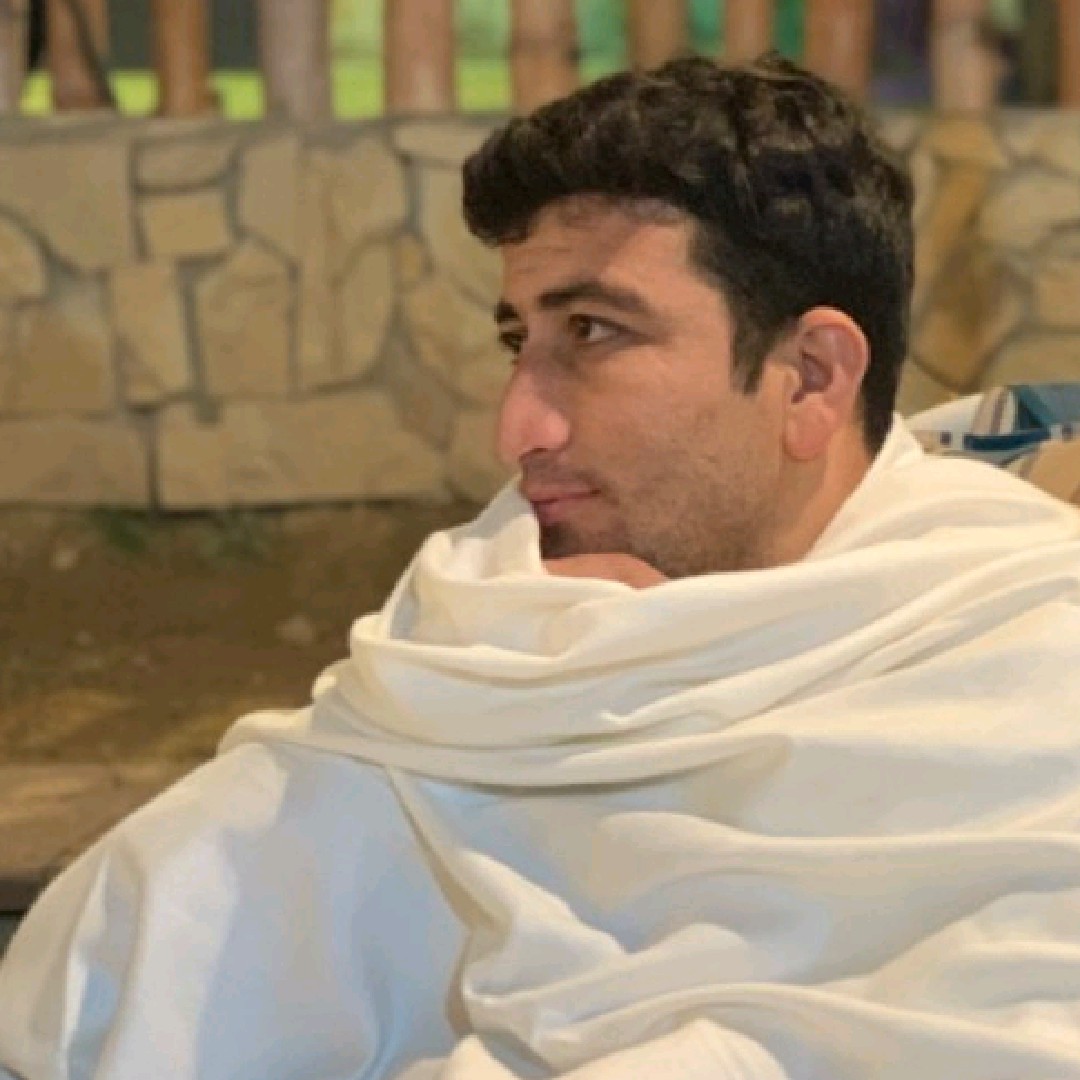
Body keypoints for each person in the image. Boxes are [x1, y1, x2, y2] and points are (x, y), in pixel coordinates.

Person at [3, 52, 1080, 1079]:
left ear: (810, 376)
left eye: (595, 334)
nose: (517, 429)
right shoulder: (484, 648)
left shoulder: (1026, 668)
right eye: (521, 341)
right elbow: (149, 945)